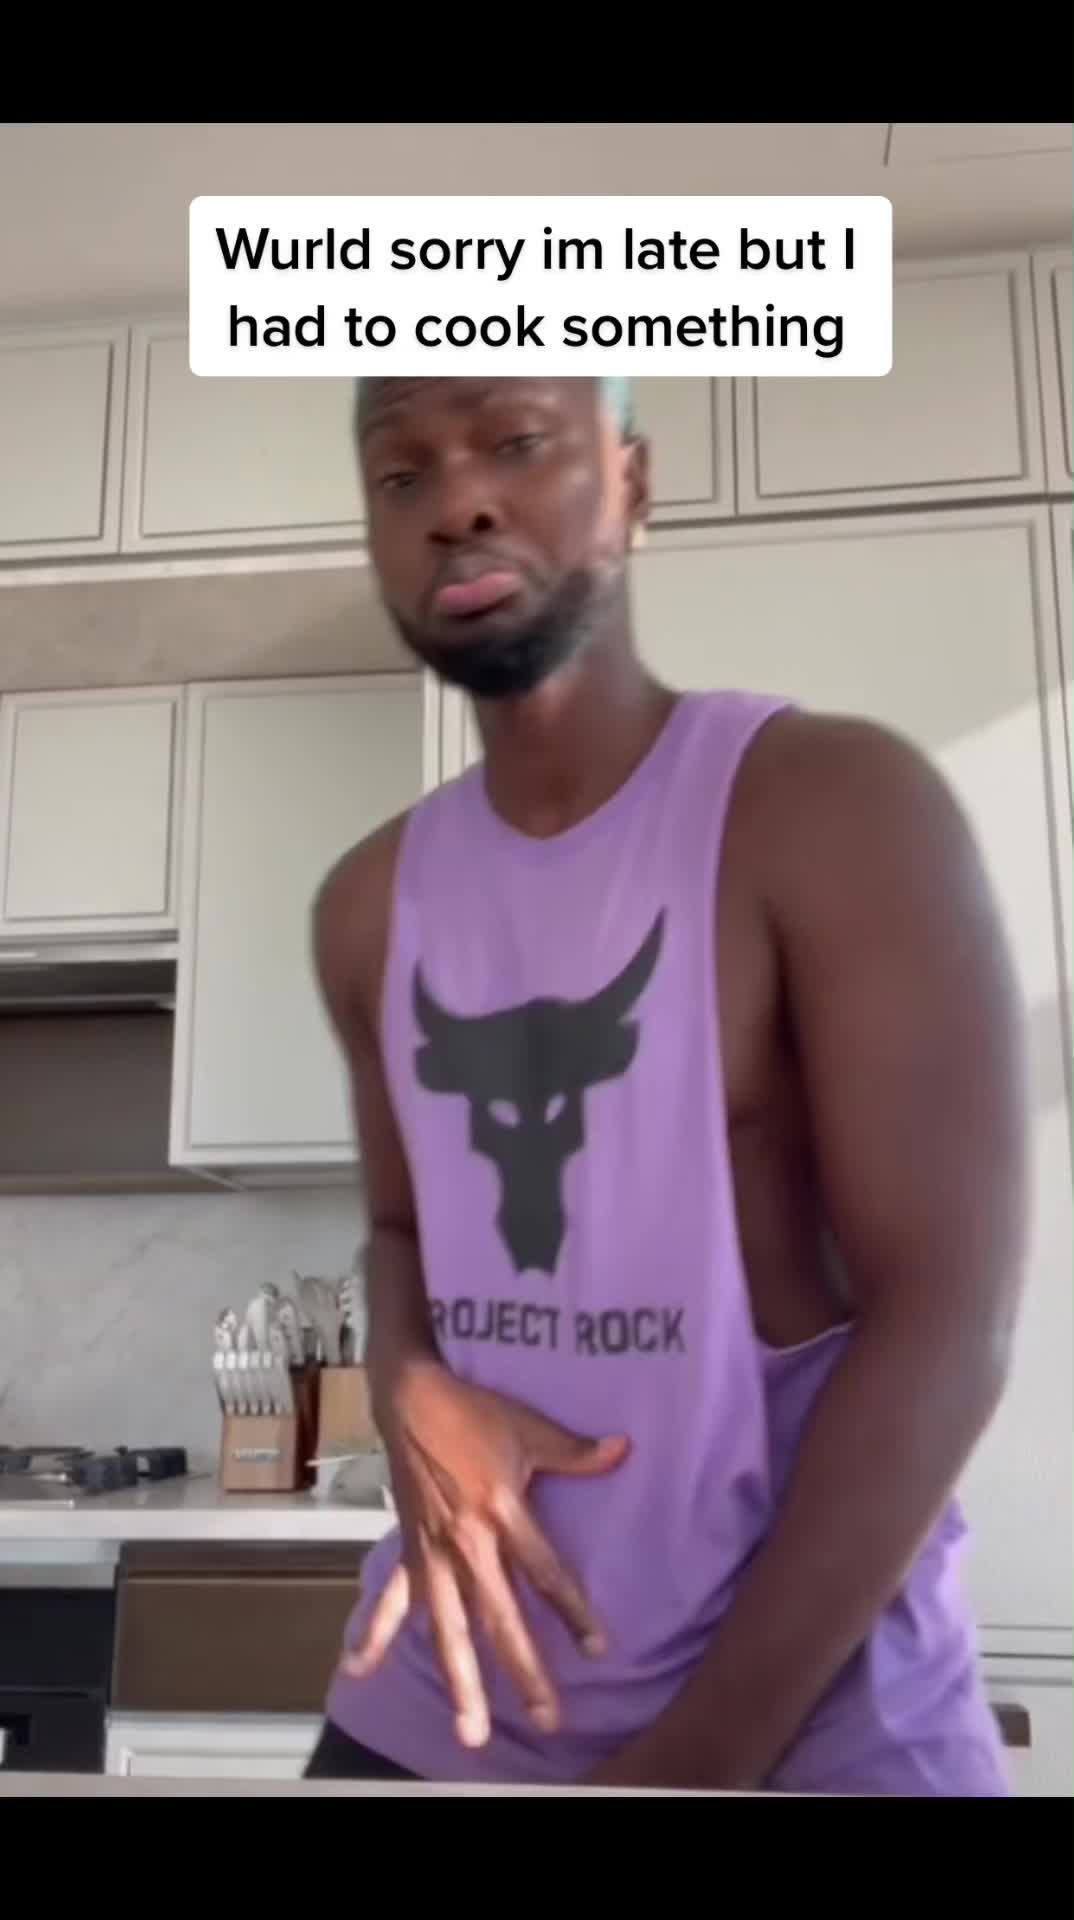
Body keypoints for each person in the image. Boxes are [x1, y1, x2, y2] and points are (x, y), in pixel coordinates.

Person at [305, 374, 1028, 1794]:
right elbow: (399, 1231)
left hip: (802, 1723)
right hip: (446, 1699)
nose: (458, 503)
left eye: (517, 443)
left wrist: (693, 1763)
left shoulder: (833, 806)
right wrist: (406, 1382)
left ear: (630, 485)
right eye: (402, 475)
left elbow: (950, 1315)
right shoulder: (367, 906)